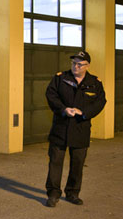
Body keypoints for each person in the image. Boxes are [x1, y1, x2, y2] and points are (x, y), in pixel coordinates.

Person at [44, 50, 106, 207]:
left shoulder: (95, 83)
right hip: (61, 127)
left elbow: (100, 102)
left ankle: (72, 193)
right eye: (74, 63)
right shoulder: (61, 78)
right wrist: (64, 109)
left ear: (87, 66)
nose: (76, 66)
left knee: (78, 163)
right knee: (55, 162)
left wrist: (84, 113)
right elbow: (51, 95)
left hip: (81, 128)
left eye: (79, 64)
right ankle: (53, 193)